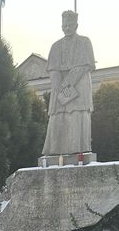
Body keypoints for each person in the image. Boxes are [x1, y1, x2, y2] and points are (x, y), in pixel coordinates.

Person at [41, 10, 96, 157]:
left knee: (76, 114)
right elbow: (52, 69)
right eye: (64, 26)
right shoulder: (55, 46)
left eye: (70, 25)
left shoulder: (85, 42)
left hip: (79, 86)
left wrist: (69, 81)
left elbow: (87, 65)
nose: (67, 28)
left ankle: (77, 149)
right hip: (60, 87)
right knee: (58, 116)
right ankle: (55, 150)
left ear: (76, 25)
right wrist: (60, 85)